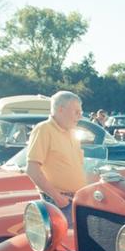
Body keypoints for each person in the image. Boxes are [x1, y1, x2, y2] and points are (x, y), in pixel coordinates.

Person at [25, 91, 86, 226]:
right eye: (76, 112)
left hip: (75, 200)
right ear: (60, 110)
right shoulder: (44, 129)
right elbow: (32, 169)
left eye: (80, 112)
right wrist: (57, 198)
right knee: (65, 238)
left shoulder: (72, 132)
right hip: (59, 203)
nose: (80, 116)